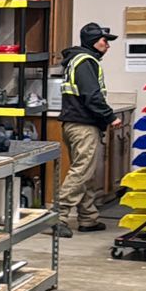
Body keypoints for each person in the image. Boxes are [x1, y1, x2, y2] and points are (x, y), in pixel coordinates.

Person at [55, 22, 122, 236]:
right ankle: (58, 217)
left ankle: (88, 217)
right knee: (82, 171)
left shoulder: (79, 60)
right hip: (82, 126)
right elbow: (92, 96)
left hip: (77, 124)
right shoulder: (85, 62)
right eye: (105, 41)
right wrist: (110, 116)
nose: (108, 46)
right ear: (94, 41)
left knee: (88, 173)